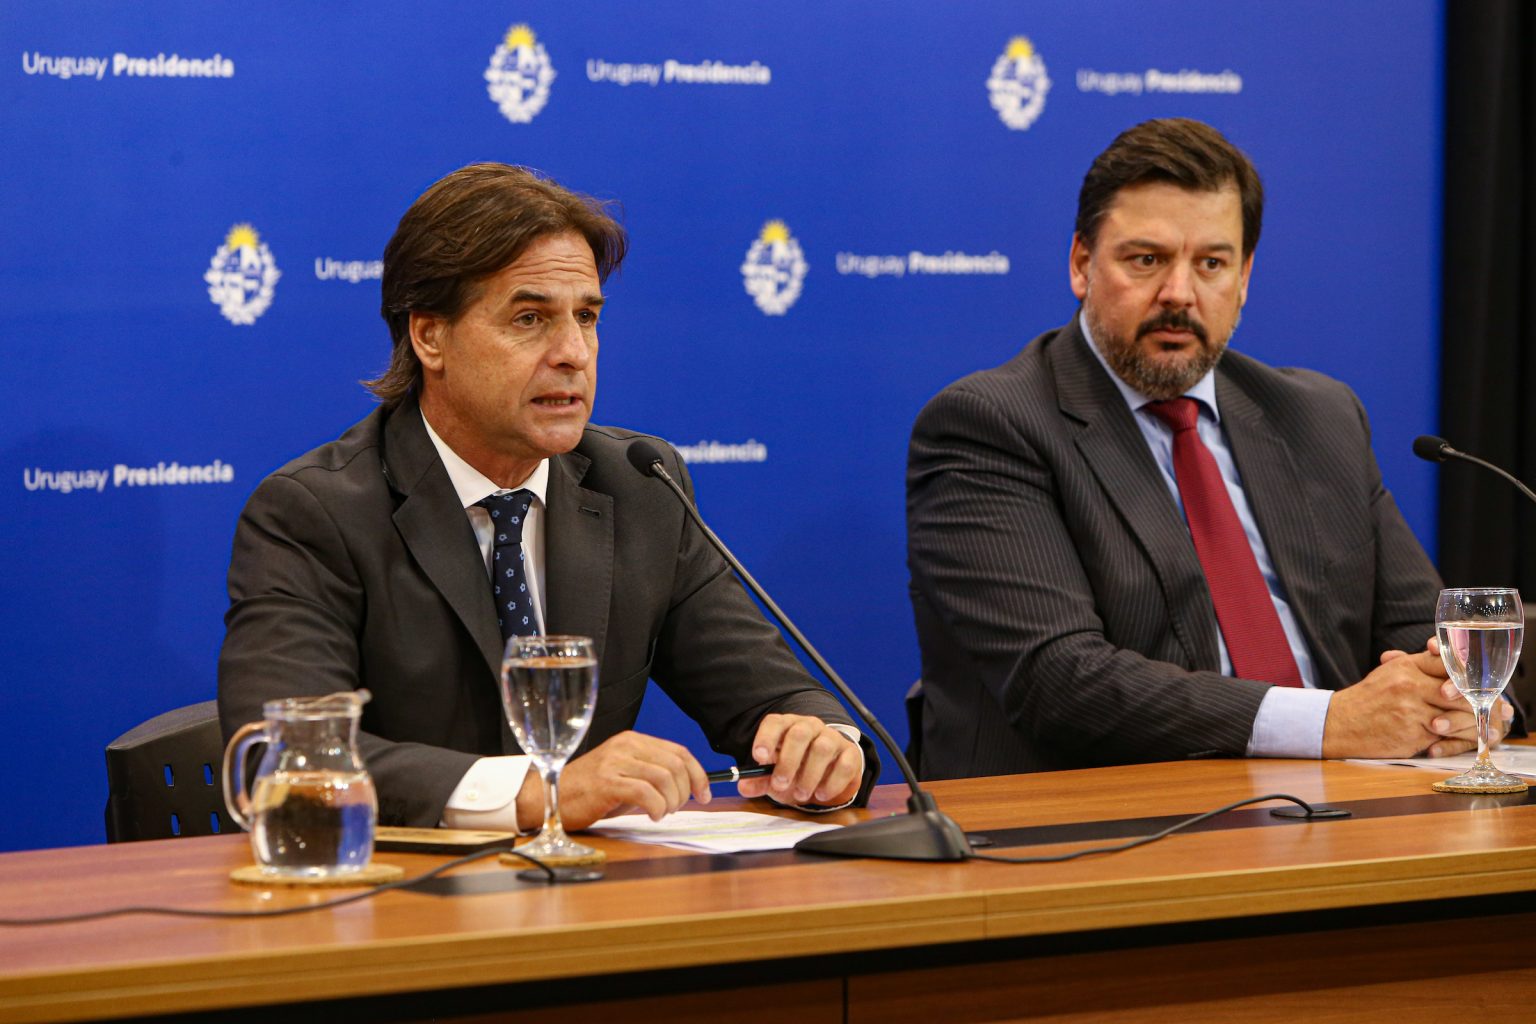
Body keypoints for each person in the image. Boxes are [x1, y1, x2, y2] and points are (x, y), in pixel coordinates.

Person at [219, 163, 871, 831]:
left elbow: (768, 694)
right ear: (430, 336)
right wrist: (539, 794)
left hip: (591, 885)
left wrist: (820, 745)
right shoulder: (315, 514)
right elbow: (283, 756)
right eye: (529, 318)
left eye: (586, 317)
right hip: (398, 884)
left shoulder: (640, 485)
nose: (573, 353)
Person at [906, 118, 1515, 780]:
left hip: (1349, 798)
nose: (1179, 294)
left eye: (1211, 264)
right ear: (1082, 264)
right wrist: (1330, 722)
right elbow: (1058, 681)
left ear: (1244, 276)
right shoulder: (990, 425)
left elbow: (1426, 637)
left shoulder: (1319, 416)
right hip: (1107, 813)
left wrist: (1464, 705)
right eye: (1146, 260)